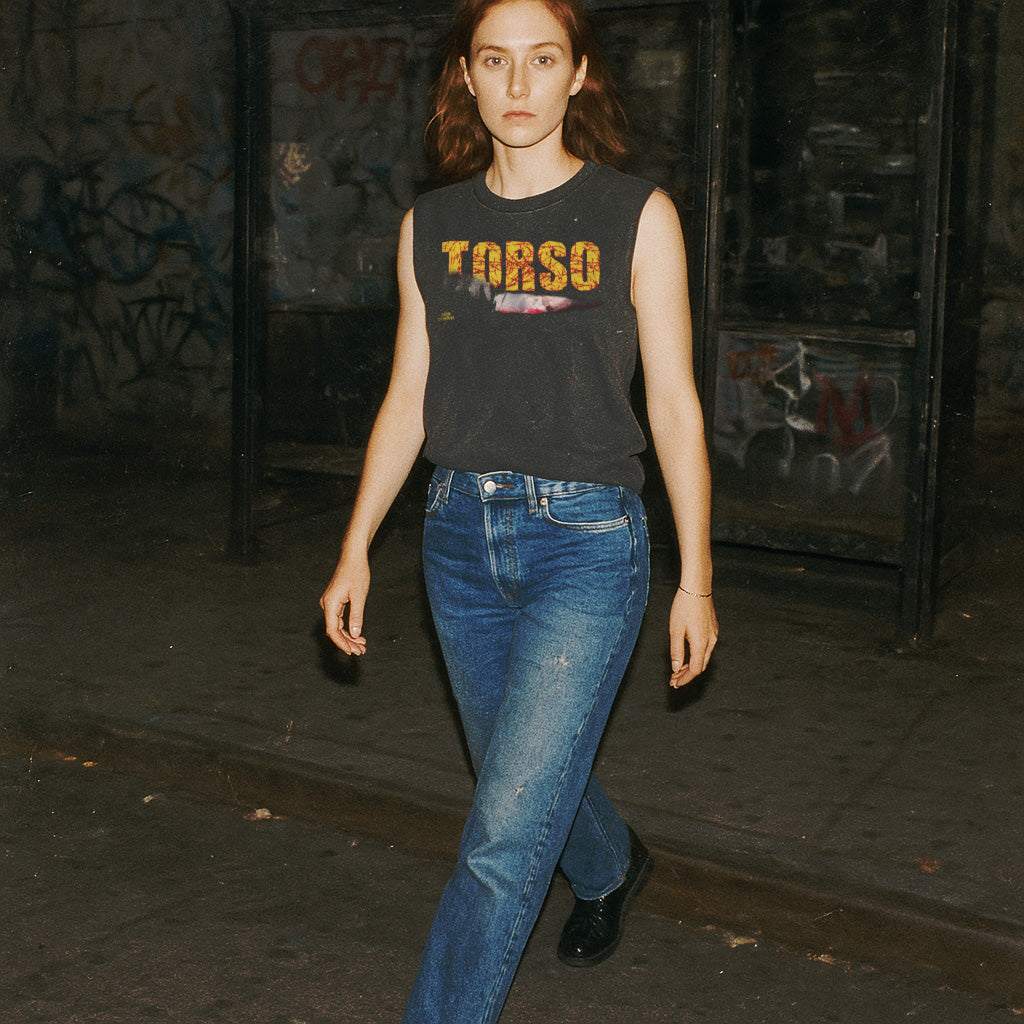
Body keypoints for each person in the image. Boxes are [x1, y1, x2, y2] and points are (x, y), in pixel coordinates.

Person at [319, 0, 718, 1020]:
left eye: (542, 60)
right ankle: (608, 861)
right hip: (457, 537)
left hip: (587, 546)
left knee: (499, 837)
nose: (518, 84)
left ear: (578, 74)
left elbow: (672, 402)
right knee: (519, 775)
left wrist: (697, 577)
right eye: (494, 61)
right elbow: (409, 396)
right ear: (466, 73)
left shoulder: (637, 215)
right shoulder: (434, 225)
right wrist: (356, 544)